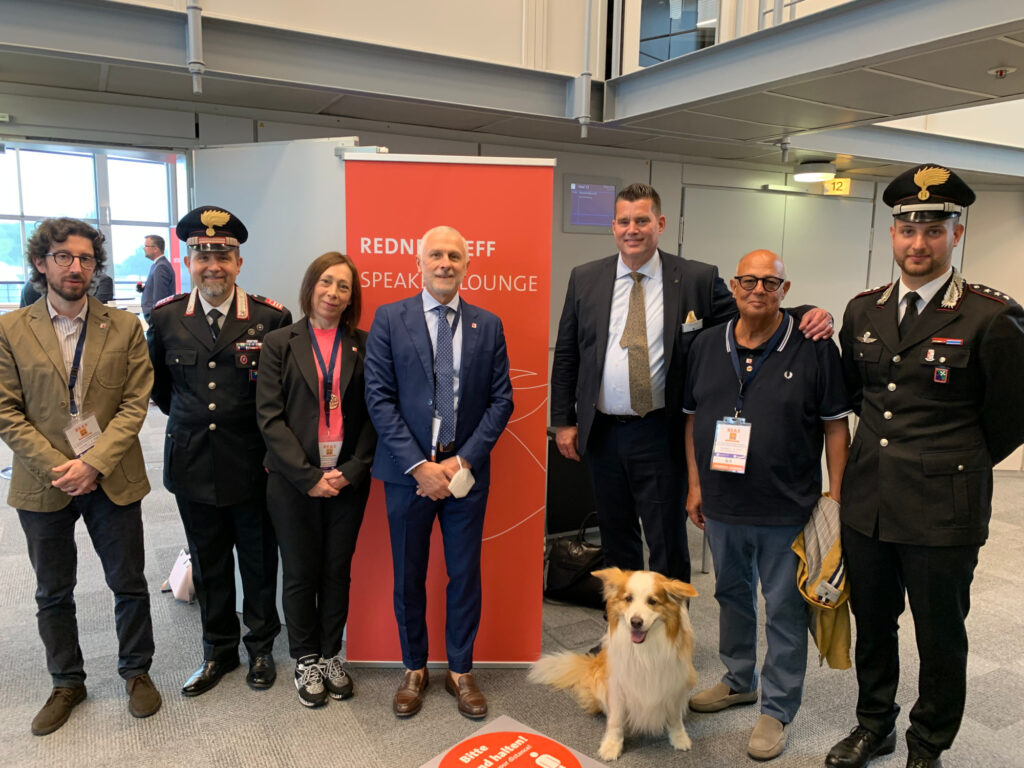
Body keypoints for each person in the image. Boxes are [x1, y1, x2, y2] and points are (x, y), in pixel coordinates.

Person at [826, 165, 1024, 768]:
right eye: (908, 229)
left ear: (955, 235)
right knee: (874, 621)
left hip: (944, 507)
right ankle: (874, 724)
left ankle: (927, 742)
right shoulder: (863, 310)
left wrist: (951, 461)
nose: (919, 243)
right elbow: (857, 395)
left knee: (939, 634)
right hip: (869, 502)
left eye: (933, 231)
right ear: (892, 234)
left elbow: (1010, 416)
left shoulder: (990, 315)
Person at [550, 182, 833, 587]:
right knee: (615, 534)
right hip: (603, 430)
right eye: (624, 221)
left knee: (665, 537)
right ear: (613, 227)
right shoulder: (585, 278)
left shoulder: (696, 278)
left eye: (642, 220)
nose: (632, 229)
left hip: (660, 430)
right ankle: (623, 623)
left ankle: (670, 623)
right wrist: (564, 420)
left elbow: (753, 308)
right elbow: (567, 353)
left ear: (660, 224)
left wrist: (806, 312)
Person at [683, 249, 851, 761]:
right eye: (749, 281)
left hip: (787, 505)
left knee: (783, 609)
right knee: (731, 595)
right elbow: (691, 419)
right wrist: (695, 485)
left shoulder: (814, 347)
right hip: (723, 503)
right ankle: (739, 680)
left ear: (785, 290)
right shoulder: (706, 344)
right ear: (734, 287)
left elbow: (836, 427)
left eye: (770, 283)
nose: (758, 289)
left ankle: (777, 708)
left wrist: (835, 496)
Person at [0, 217, 161, 735]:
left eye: (86, 258)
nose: (76, 267)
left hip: (111, 474)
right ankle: (66, 681)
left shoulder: (124, 326)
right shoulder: (10, 329)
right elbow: (6, 411)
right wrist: (61, 467)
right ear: (41, 262)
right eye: (64, 257)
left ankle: (136, 671)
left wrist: (93, 462)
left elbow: (135, 403)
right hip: (41, 479)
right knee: (53, 589)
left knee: (128, 582)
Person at [364, 225, 514, 719]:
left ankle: (460, 670)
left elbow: (501, 401)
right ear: (419, 263)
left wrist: (462, 460)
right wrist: (419, 466)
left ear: (467, 265)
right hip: (408, 474)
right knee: (408, 575)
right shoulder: (390, 318)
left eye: (454, 255)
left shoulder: (488, 324)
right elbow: (378, 398)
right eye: (435, 255)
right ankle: (414, 667)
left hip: (465, 473)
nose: (445, 263)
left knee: (465, 574)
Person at [148, 206, 291, 697]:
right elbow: (160, 388)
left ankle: (261, 648)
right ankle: (218, 651)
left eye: (223, 256)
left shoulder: (270, 318)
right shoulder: (165, 316)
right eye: (202, 256)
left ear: (239, 262)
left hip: (253, 464)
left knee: (258, 561)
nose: (213, 266)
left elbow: (281, 393)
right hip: (192, 462)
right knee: (209, 562)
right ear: (189, 261)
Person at [256, 252, 377, 708]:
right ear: (311, 286)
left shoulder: (365, 344)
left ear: (351, 297)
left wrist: (351, 470)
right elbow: (269, 418)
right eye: (326, 282)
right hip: (293, 481)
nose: (333, 293)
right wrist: (308, 477)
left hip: (347, 480)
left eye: (344, 286)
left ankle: (330, 654)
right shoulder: (279, 342)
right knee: (300, 571)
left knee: (336, 571)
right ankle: (305, 657)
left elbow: (375, 414)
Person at [137, 234, 175, 320]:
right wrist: (144, 289)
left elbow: (160, 298)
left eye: (146, 246)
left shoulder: (161, 267)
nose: (143, 248)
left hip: (156, 316)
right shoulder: (156, 265)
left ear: (155, 249)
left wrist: (155, 317)